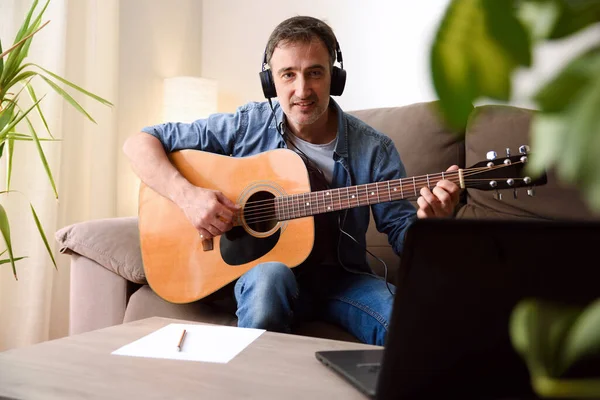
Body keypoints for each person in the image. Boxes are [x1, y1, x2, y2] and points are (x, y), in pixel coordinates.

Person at [123, 15, 460, 346]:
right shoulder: (246, 124)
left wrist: (432, 225)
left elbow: (404, 236)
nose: (302, 90)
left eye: (315, 73)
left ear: (335, 77)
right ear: (271, 81)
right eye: (288, 75)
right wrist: (188, 197)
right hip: (260, 273)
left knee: (410, 321)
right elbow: (140, 143)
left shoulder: (374, 148)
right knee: (271, 277)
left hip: (340, 279)